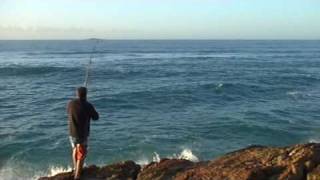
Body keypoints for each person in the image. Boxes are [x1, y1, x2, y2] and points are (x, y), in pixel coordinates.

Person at [67, 87, 99, 180]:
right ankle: (77, 175)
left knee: (75, 150)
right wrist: (87, 105)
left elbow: (68, 112)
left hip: (71, 132)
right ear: (86, 95)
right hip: (81, 134)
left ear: (77, 94)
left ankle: (75, 168)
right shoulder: (88, 105)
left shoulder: (70, 103)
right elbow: (96, 117)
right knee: (81, 154)